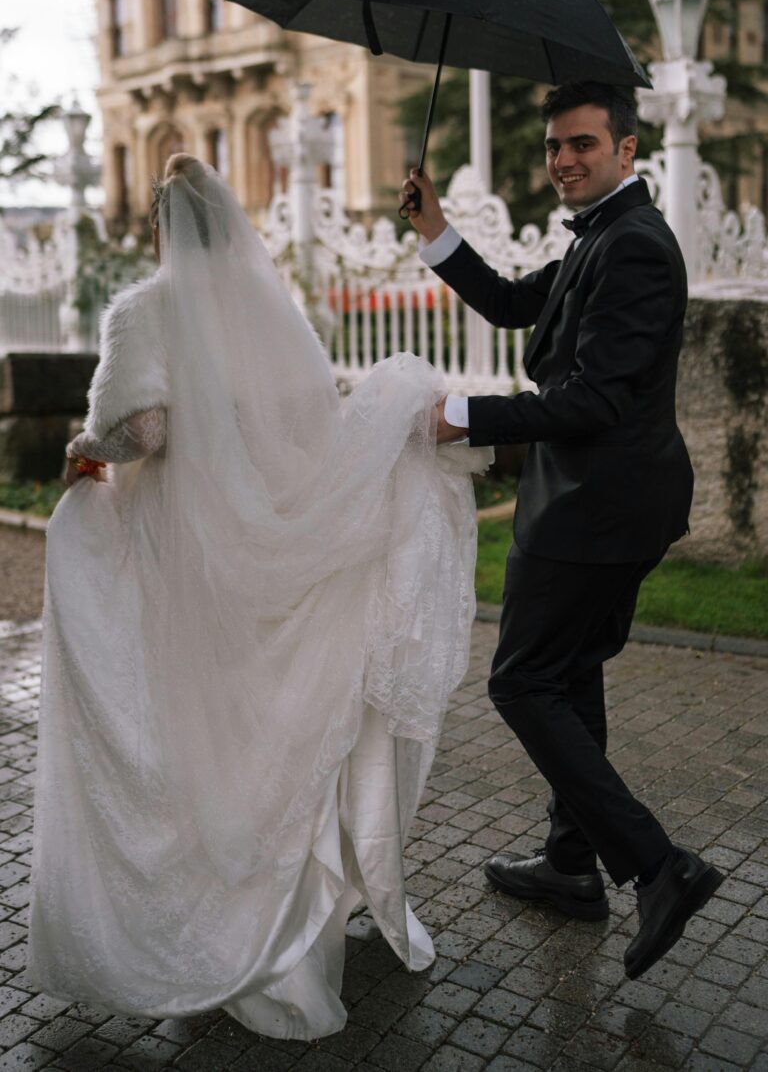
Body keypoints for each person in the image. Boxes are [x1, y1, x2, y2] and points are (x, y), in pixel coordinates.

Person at [27, 153, 491, 1039]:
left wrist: (86, 446)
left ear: (163, 227)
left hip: (182, 557)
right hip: (265, 551)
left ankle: (206, 904)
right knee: (256, 733)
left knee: (189, 728)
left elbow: (145, 429)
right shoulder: (275, 315)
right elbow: (311, 422)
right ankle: (278, 910)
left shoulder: (143, 311)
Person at [399, 80, 723, 980]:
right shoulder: (602, 238)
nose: (563, 159)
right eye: (553, 146)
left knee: (523, 682)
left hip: (597, 509)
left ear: (627, 149)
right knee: (570, 676)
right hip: (596, 503)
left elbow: (593, 401)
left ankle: (658, 866)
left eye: (582, 143)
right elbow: (510, 304)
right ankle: (571, 865)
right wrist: (436, 230)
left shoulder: (638, 250)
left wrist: (466, 416)